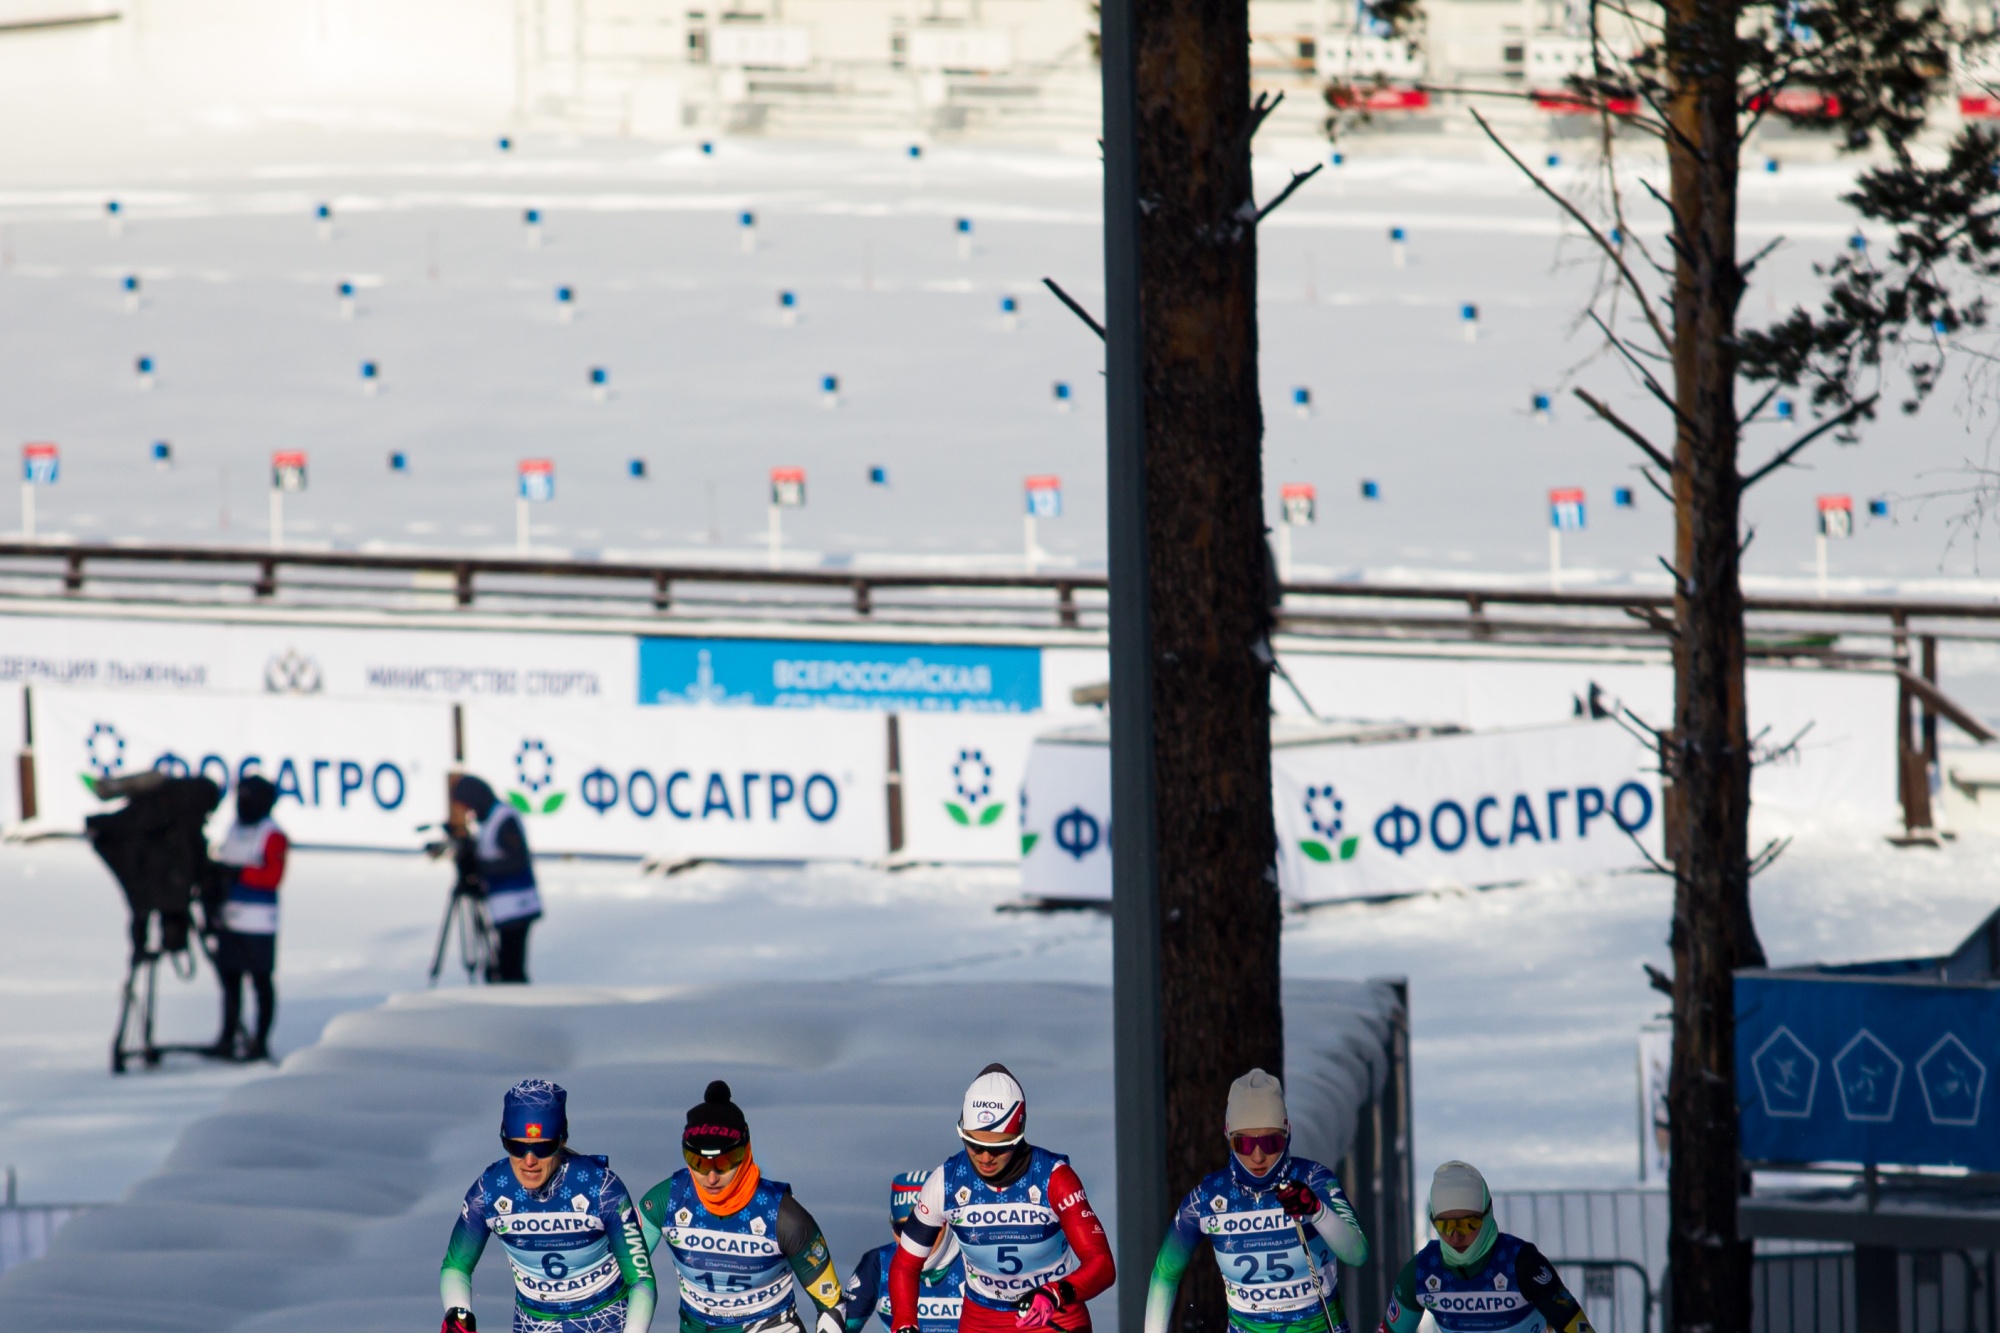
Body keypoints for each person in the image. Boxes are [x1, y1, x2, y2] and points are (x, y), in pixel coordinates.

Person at [890, 1064, 1115, 1333]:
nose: (986, 1157)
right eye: (974, 1144)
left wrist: (1056, 1293)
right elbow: (905, 1264)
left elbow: (1102, 1264)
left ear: (1019, 1136)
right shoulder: (946, 1181)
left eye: (999, 1147)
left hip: (1053, 1317)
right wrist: (904, 1322)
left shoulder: (1055, 1178)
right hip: (982, 1321)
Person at [1144, 1069, 1368, 1333]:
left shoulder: (1314, 1180)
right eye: (1245, 1145)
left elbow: (1357, 1254)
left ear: (1288, 1133)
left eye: (1271, 1143)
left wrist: (1318, 1212)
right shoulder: (1208, 1197)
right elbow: (1165, 1274)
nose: (1258, 1157)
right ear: (1228, 1136)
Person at [439, 1079, 656, 1333]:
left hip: (606, 1321)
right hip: (534, 1324)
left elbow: (641, 1280)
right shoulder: (489, 1190)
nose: (529, 1161)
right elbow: (456, 1266)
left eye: (543, 1148)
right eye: (516, 1147)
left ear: (562, 1140)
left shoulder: (602, 1189)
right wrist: (458, 1313)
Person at [637, 1080, 847, 1333]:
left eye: (725, 1162)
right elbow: (619, 1271)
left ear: (746, 1151)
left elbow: (831, 1305)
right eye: (698, 1162)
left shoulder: (784, 1217)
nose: (711, 1177)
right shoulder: (667, 1200)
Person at [1376, 1162, 1595, 1333]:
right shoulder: (1422, 1272)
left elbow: (1575, 1325)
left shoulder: (1522, 1264)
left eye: (1468, 1224)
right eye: (1445, 1225)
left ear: (1487, 1215)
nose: (1455, 1235)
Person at [208, 775, 285, 1062]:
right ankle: (227, 1037)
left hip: (259, 924)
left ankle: (260, 1042)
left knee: (261, 982)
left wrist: (239, 873)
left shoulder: (272, 834)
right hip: (229, 919)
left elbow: (273, 875)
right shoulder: (233, 828)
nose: (242, 804)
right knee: (230, 983)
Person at [841, 1172, 963, 1333]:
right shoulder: (878, 1264)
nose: (916, 1239)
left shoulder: (977, 1259)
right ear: (892, 1228)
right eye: (903, 1228)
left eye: (928, 1227)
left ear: (947, 1222)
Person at [452, 773, 542, 983]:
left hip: (518, 905)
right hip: (505, 907)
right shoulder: (489, 820)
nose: (469, 814)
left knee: (511, 970)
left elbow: (517, 860)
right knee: (506, 966)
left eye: (469, 807)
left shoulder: (503, 819)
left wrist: (480, 867)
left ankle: (515, 998)